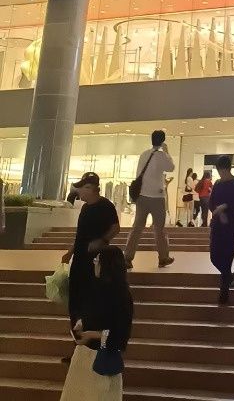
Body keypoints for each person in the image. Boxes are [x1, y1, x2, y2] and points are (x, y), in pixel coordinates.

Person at [60, 245, 133, 401]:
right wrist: (81, 323)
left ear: (107, 265)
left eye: (97, 260)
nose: (94, 263)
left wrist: (92, 335)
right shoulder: (96, 289)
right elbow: (88, 314)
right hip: (82, 356)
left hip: (102, 360)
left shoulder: (122, 297)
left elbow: (120, 335)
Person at [61, 173, 120, 361]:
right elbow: (80, 235)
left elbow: (115, 228)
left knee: (90, 305)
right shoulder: (85, 208)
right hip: (79, 262)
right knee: (75, 306)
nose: (79, 192)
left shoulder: (106, 206)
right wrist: (70, 252)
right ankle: (77, 350)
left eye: (81, 188)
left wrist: (102, 241)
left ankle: (89, 350)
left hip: (95, 263)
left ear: (90, 188)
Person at [124, 130, 175, 270]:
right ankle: (163, 257)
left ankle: (127, 257)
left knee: (137, 228)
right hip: (157, 197)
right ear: (162, 141)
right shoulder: (162, 155)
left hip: (142, 196)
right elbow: (171, 167)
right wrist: (167, 151)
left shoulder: (144, 154)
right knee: (159, 229)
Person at [209, 156, 234, 304]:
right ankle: (230, 277)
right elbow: (212, 202)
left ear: (227, 169)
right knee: (214, 256)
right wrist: (219, 211)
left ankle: (224, 293)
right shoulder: (218, 183)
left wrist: (225, 207)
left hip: (233, 225)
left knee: (227, 257)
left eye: (222, 171)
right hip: (218, 224)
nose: (221, 174)